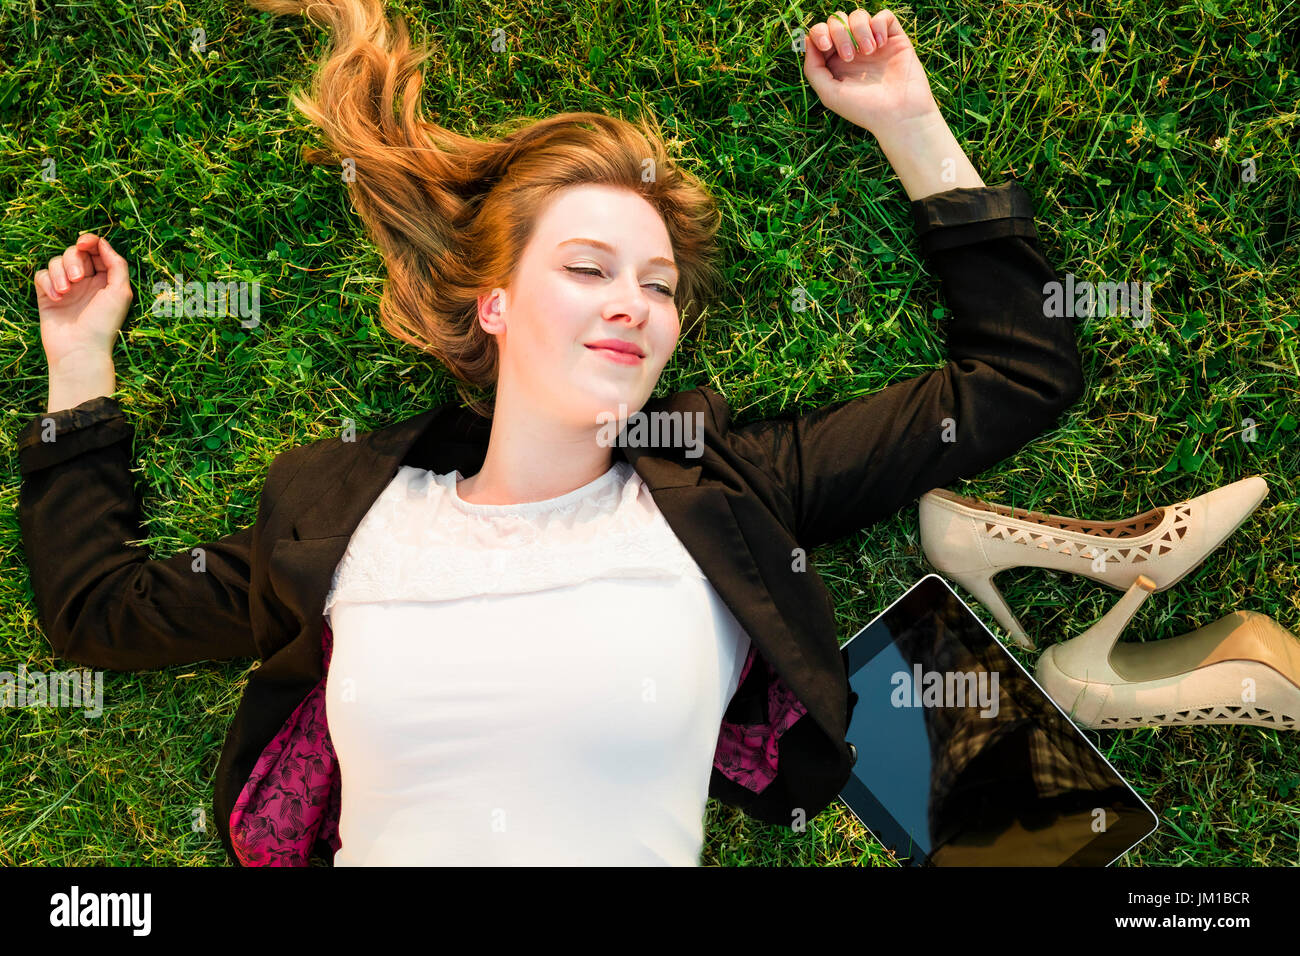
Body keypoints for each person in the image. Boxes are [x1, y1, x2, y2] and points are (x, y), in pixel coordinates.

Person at [20, 3, 1083, 865]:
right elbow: (98, 613)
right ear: (495, 304)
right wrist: (77, 364)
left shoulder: (729, 492)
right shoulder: (347, 522)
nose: (631, 302)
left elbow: (1014, 376)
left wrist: (909, 124)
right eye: (587, 269)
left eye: (657, 286)